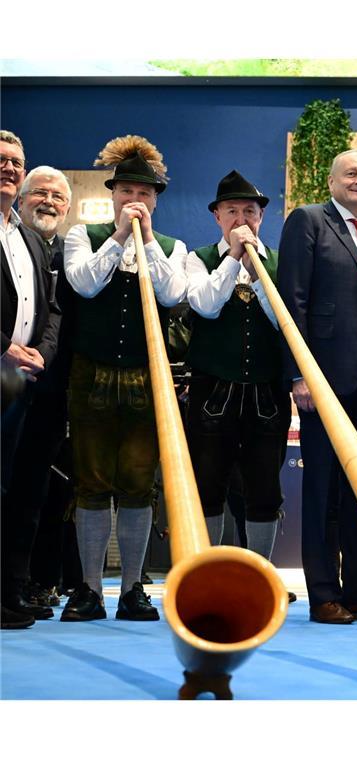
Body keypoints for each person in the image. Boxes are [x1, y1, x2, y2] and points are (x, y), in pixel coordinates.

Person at [61, 135, 188, 622]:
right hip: (89, 376)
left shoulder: (171, 247)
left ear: (156, 199)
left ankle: (134, 588)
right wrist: (118, 237)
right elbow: (84, 285)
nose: (135, 199)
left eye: (145, 192)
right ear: (113, 194)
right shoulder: (83, 236)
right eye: (127, 191)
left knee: (138, 484)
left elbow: (174, 293)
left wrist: (148, 241)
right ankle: (91, 589)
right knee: (91, 484)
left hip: (145, 376)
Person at [278, 149, 357, 624]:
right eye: (352, 173)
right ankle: (324, 592)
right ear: (331, 180)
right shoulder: (307, 221)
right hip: (322, 378)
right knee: (322, 488)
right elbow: (291, 301)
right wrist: (298, 373)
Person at [185, 171, 291, 583]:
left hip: (267, 391)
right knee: (208, 485)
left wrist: (257, 268)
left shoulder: (280, 262)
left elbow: (284, 322)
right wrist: (232, 259)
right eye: (232, 211)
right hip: (213, 389)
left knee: (265, 488)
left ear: (262, 217)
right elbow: (206, 306)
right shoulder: (199, 259)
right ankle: (209, 577)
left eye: (250, 211)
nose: (241, 218)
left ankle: (259, 578)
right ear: (217, 216)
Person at [1, 132, 62, 629]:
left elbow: (52, 308)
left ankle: (11, 591)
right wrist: (4, 347)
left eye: (16, 162)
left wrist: (39, 352)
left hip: (28, 384)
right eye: (1, 161)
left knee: (23, 492)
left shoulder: (29, 239)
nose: (10, 168)